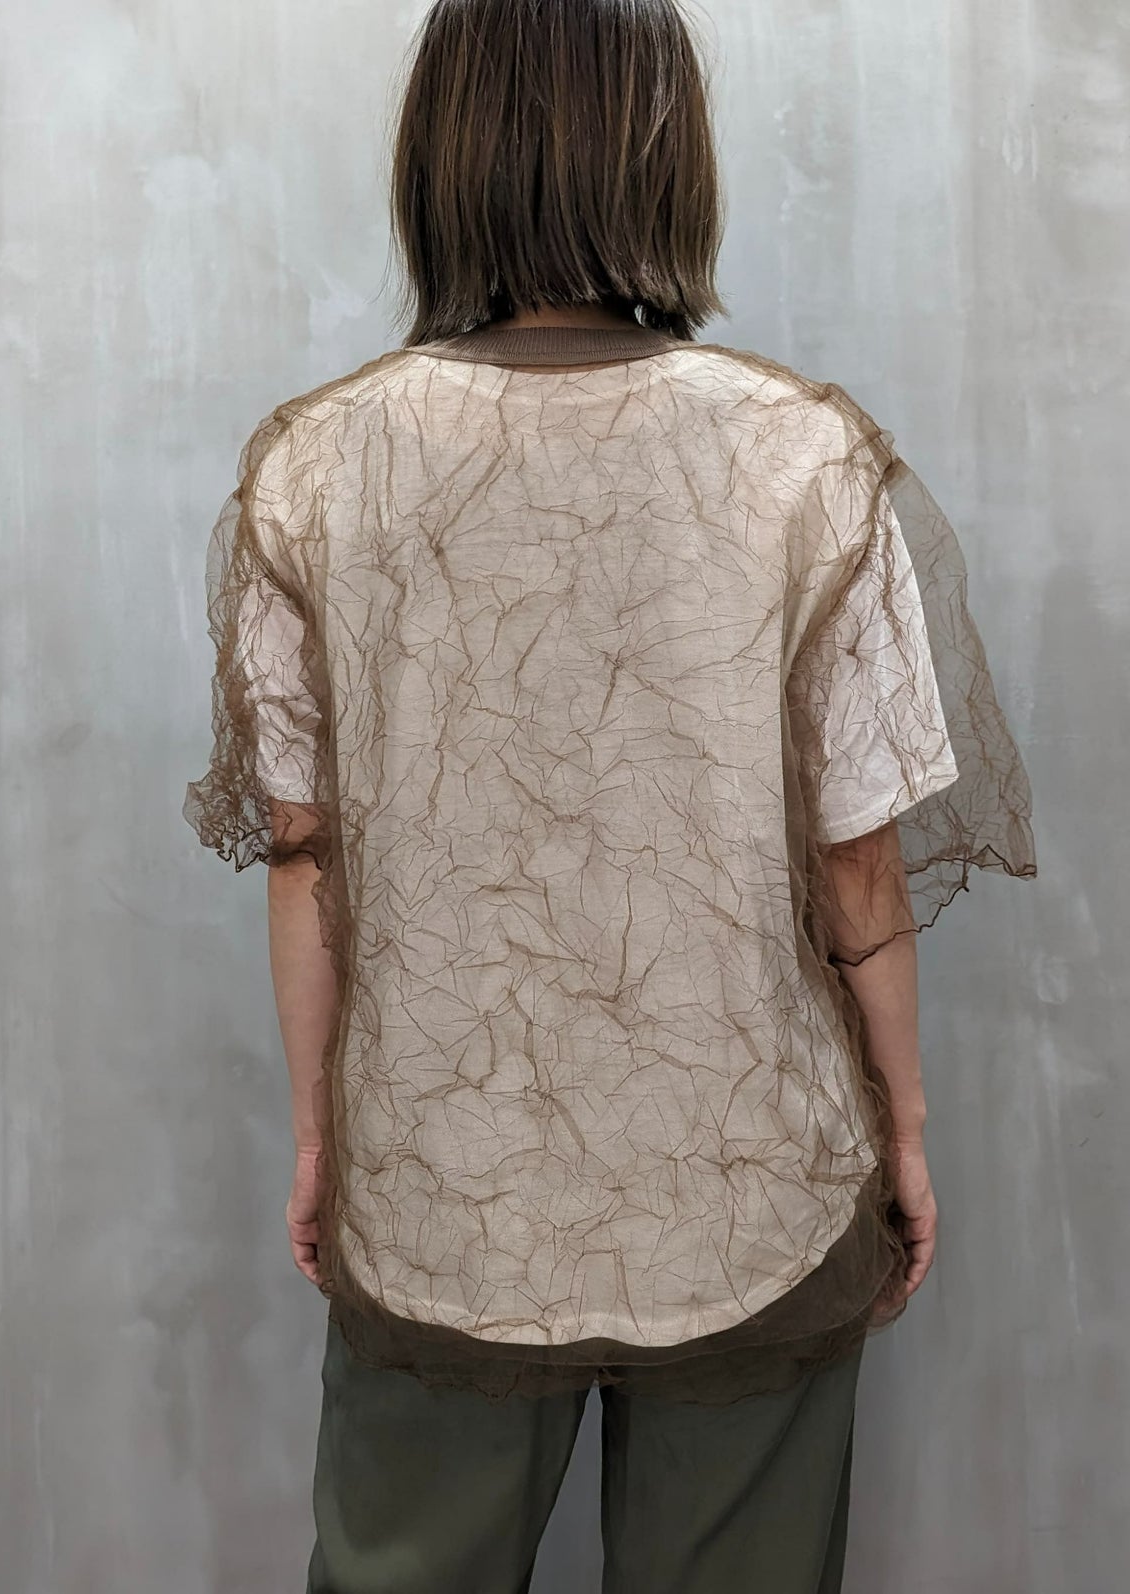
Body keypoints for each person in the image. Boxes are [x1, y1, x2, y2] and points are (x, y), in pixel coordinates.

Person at [183, 1, 1037, 1589]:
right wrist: (907, 1132)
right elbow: (859, 872)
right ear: (669, 154)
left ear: (442, 156)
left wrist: (320, 1136)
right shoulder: (805, 460)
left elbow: (307, 861)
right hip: (752, 1197)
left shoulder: (315, 469)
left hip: (441, 1195)